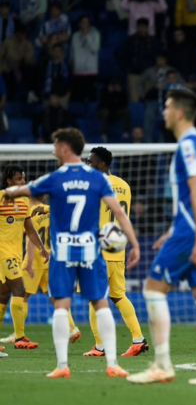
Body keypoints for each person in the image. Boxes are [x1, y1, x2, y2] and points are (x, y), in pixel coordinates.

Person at [3, 128, 139, 378]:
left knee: (61, 305)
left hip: (63, 251)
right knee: (101, 302)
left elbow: (21, 192)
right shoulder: (98, 179)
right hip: (90, 249)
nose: (53, 150)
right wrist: (135, 244)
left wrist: (8, 193)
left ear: (65, 148)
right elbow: (119, 214)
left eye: (55, 146)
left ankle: (62, 366)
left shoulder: (55, 178)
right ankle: (112, 364)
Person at [127, 89, 196, 385]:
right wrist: (174, 231)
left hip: (194, 232)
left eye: (166, 106)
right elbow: (190, 197)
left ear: (179, 112)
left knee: (152, 290)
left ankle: (161, 364)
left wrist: (195, 237)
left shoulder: (188, 144)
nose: (163, 112)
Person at [83, 147, 147, 358]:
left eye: (91, 161)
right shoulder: (124, 186)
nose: (87, 164)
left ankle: (100, 346)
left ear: (102, 164)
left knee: (95, 297)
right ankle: (138, 339)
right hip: (117, 247)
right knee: (118, 295)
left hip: (98, 248)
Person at [0, 194, 81, 346]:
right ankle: (72, 328)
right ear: (44, 197)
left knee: (22, 296)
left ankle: (18, 333)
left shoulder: (29, 212)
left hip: (34, 261)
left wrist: (29, 263)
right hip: (51, 259)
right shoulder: (49, 212)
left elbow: (31, 240)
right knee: (54, 296)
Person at [0, 165, 49, 351]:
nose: (22, 182)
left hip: (15, 253)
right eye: (19, 179)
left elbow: (29, 228)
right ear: (9, 181)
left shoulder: (24, 201)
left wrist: (42, 248)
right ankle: (20, 337)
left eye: (23, 178)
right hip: (2, 252)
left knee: (3, 294)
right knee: (19, 290)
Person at [117, 18, 161, 103]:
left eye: (144, 27)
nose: (142, 29)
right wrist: (127, 68)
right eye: (140, 27)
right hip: (133, 73)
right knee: (134, 99)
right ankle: (135, 115)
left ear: (147, 28)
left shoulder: (153, 41)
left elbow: (159, 57)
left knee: (149, 98)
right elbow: (121, 56)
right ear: (137, 27)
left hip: (149, 74)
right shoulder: (130, 41)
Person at [70, 16, 100, 102]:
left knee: (91, 98)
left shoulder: (96, 34)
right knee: (77, 99)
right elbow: (72, 52)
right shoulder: (75, 35)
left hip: (91, 71)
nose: (85, 24)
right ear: (79, 24)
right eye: (83, 22)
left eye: (87, 22)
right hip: (77, 71)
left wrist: (87, 36)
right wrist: (72, 65)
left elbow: (95, 49)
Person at [98, 78, 130, 142]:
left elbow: (125, 105)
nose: (114, 86)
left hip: (116, 112)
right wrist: (110, 93)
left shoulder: (122, 92)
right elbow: (103, 104)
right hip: (105, 112)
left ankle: (126, 132)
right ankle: (104, 134)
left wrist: (119, 93)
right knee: (105, 112)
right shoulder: (104, 91)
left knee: (126, 111)